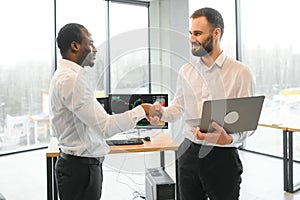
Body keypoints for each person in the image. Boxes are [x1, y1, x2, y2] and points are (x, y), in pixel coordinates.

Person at [149, 7, 255, 200]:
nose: (192, 38)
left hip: (222, 158)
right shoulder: (186, 71)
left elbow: (248, 126)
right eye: (191, 33)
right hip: (188, 152)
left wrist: (229, 139)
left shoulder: (241, 73)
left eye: (198, 33)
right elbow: (177, 109)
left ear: (216, 33)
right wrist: (161, 113)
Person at [49, 23, 152, 200]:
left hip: (80, 167)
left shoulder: (67, 77)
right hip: (80, 171)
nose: (95, 49)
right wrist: (142, 110)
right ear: (75, 46)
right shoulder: (71, 80)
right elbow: (105, 127)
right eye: (90, 43)